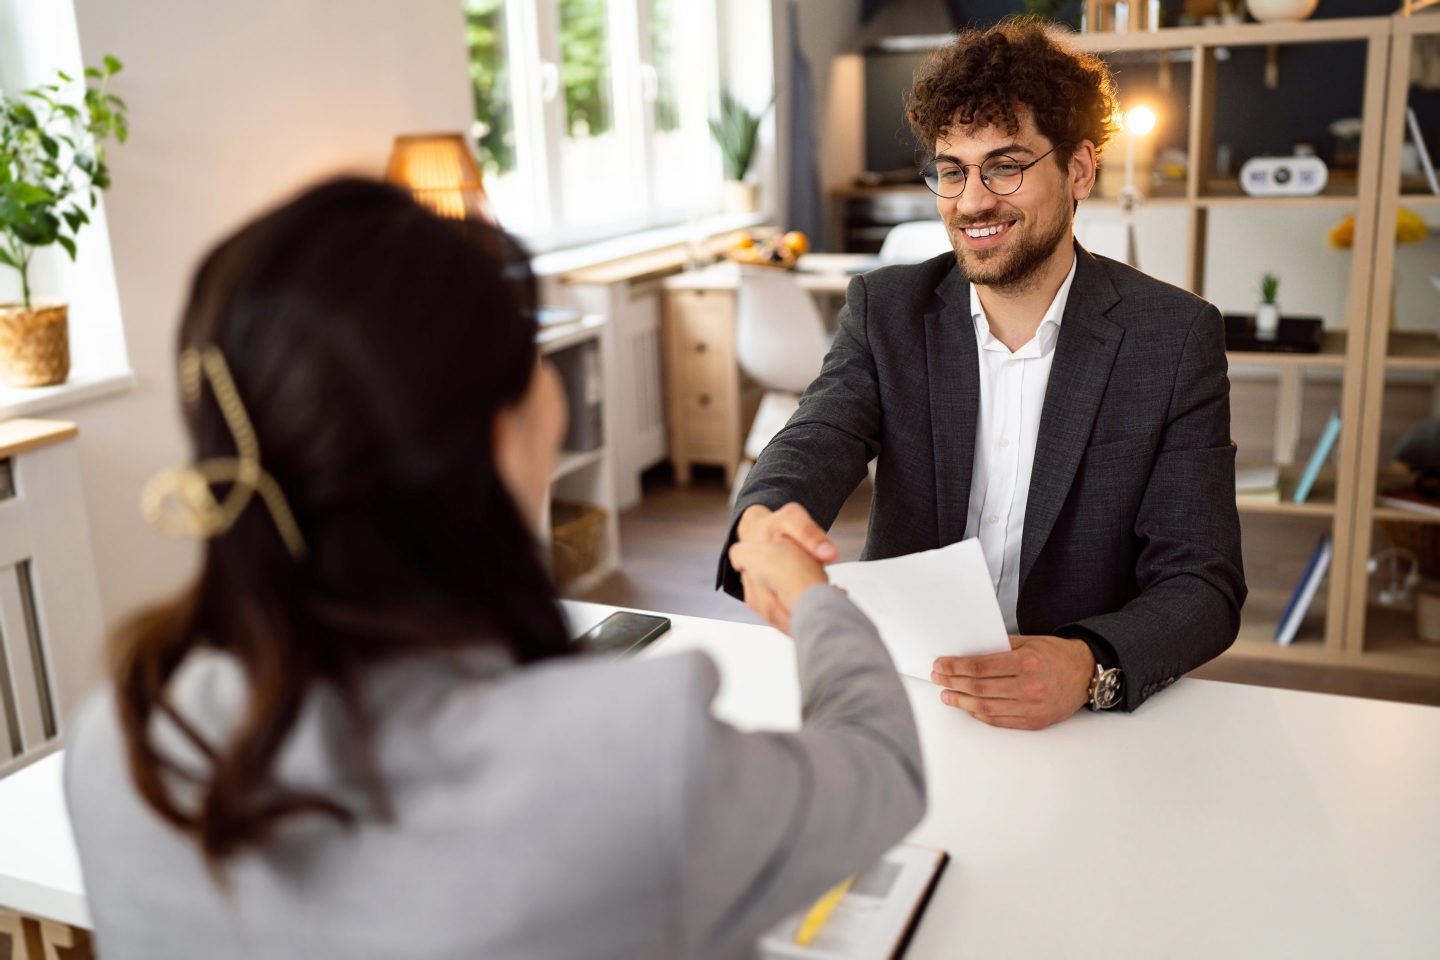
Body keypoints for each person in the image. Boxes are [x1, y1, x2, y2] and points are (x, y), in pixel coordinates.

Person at [64, 178, 924, 960]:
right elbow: (882, 768)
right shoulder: (624, 761)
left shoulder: (123, 741)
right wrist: (814, 601)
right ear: (493, 432)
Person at [719, 20, 1245, 729]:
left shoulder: (1173, 337)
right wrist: (761, 521)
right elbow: (816, 435)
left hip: (1076, 714)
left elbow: (1202, 582)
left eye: (1005, 166)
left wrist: (1086, 666)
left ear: (1081, 170)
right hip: (912, 692)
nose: (971, 201)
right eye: (952, 170)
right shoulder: (887, 310)